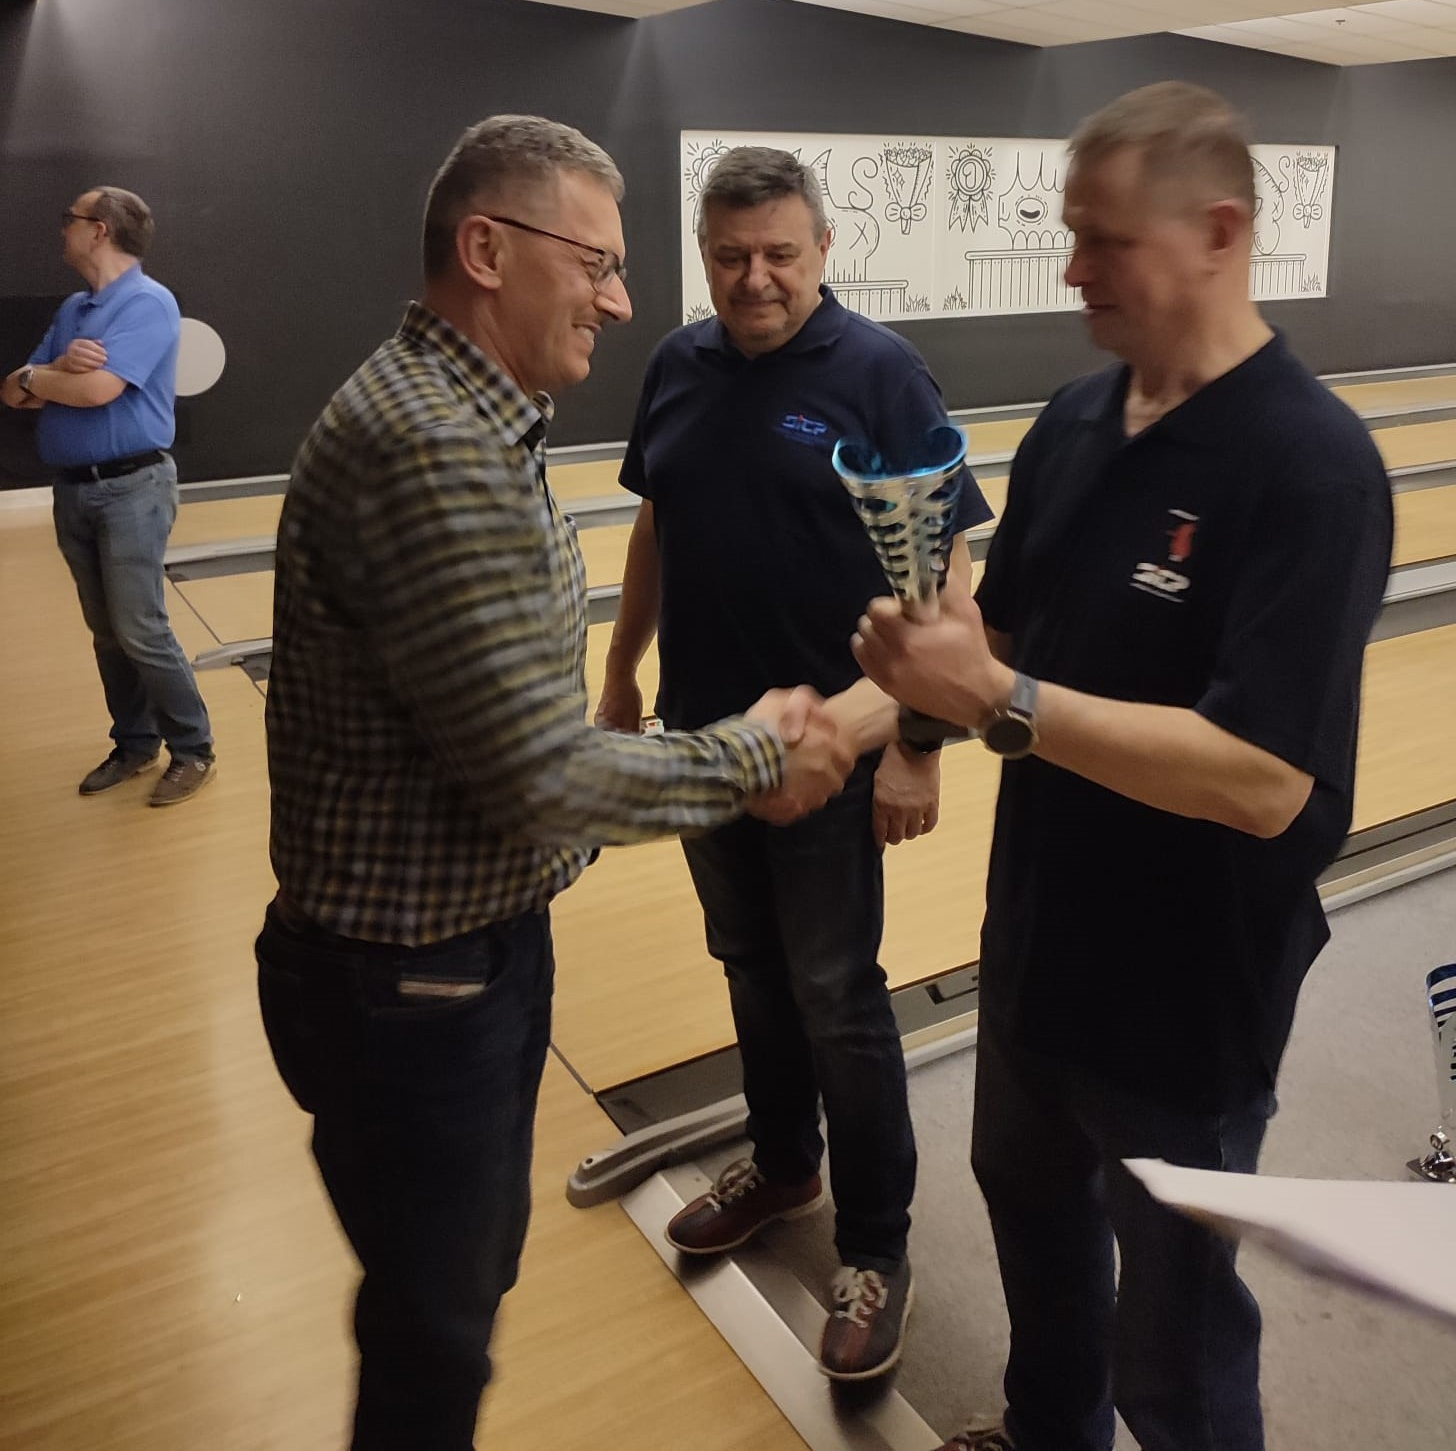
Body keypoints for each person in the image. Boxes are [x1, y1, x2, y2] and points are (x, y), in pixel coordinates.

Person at [255, 116, 870, 1451]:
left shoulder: (460, 421)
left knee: (445, 1299)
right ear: (487, 249)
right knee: (434, 1337)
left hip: (418, 965)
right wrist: (757, 752)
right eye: (596, 263)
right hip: (415, 985)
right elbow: (537, 773)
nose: (620, 299)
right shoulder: (435, 446)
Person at [852, 83, 1394, 1451]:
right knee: (1037, 1240)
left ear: (1219, 231)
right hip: (1041, 943)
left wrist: (999, 700)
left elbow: (1263, 779)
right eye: (1071, 233)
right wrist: (852, 720)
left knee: (1176, 1348)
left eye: (1105, 240)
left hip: (1186, 994)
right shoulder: (1077, 419)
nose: (1072, 268)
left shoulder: (1312, 466)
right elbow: (1000, 637)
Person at [597, 146, 991, 1380]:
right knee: (750, 966)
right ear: (704, 255)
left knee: (836, 994)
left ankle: (874, 1244)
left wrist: (916, 744)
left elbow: (949, 585)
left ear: (825, 249)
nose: (754, 277)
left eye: (779, 253)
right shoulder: (677, 363)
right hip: (701, 746)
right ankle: (783, 1165)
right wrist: (621, 672)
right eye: (730, 256)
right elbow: (656, 523)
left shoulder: (880, 374)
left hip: (828, 756)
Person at [1, 187, 216, 806]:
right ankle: (135, 744)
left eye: (69, 219)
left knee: (139, 627)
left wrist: (46, 378)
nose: (61, 229)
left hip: (132, 489)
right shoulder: (74, 309)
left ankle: (194, 750)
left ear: (99, 230)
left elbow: (97, 391)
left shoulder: (148, 302)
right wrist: (51, 371)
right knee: (106, 631)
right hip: (73, 490)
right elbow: (12, 391)